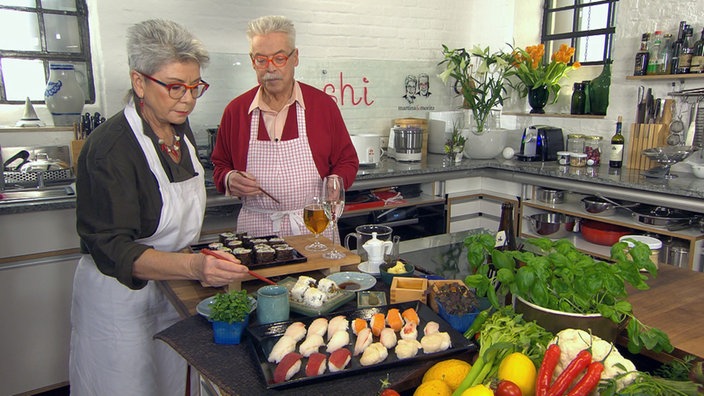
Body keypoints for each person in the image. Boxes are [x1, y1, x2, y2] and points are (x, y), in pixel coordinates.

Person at [70, 19, 250, 396]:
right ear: (139, 83)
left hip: (171, 291)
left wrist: (197, 263)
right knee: (127, 385)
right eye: (174, 87)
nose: (188, 99)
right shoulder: (110, 148)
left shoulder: (178, 129)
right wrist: (193, 266)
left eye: (195, 86)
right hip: (119, 300)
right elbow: (115, 249)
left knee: (172, 381)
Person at [211, 15, 359, 238]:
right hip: (256, 226)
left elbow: (347, 160)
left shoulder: (322, 106)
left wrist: (337, 182)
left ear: (295, 57)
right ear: (253, 61)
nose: (270, 68)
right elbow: (220, 165)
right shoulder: (236, 110)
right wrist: (229, 179)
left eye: (279, 58)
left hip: (315, 222)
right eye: (261, 60)